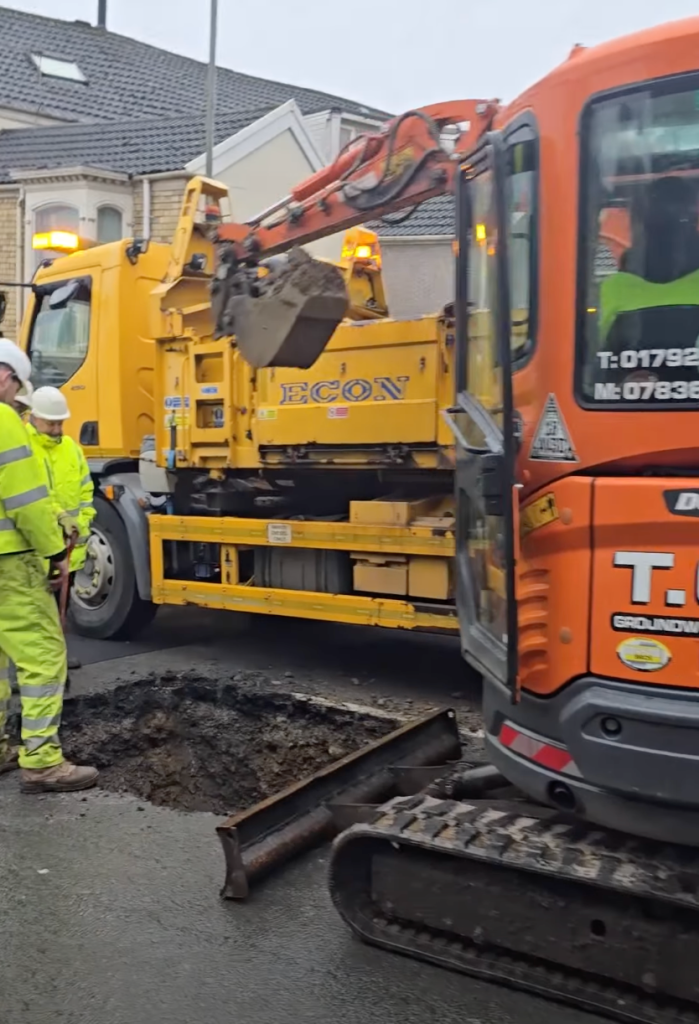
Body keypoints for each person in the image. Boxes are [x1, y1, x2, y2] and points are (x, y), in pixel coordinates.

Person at [0, 339, 97, 792]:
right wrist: (55, 552)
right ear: (6, 375)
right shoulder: (4, 421)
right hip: (11, 562)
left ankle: (3, 745)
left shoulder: (67, 448)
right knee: (42, 655)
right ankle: (40, 758)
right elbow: (24, 502)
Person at [26, 386, 96, 675]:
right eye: (50, 423)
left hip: (68, 547)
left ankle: (55, 661)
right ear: (34, 417)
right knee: (31, 613)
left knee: (57, 609)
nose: (56, 429)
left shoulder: (71, 449)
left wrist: (84, 523)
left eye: (60, 423)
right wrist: (59, 516)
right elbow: (33, 496)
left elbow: (85, 491)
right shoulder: (23, 447)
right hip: (36, 549)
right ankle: (30, 667)